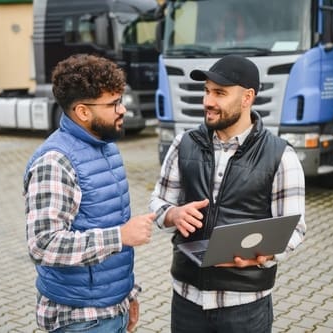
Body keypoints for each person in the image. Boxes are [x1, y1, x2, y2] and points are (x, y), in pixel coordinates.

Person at [149, 54, 306, 333]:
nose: (208, 101)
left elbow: (294, 229)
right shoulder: (183, 144)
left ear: (247, 98)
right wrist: (173, 214)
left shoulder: (281, 156)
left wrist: (263, 255)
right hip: (187, 299)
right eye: (207, 91)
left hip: (245, 305)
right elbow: (158, 203)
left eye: (219, 93)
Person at [23, 54, 155, 333]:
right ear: (83, 112)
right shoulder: (55, 161)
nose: (123, 110)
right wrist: (120, 236)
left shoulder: (106, 146)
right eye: (113, 104)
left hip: (111, 309)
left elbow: (105, 224)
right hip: (81, 319)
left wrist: (127, 295)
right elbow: (43, 244)